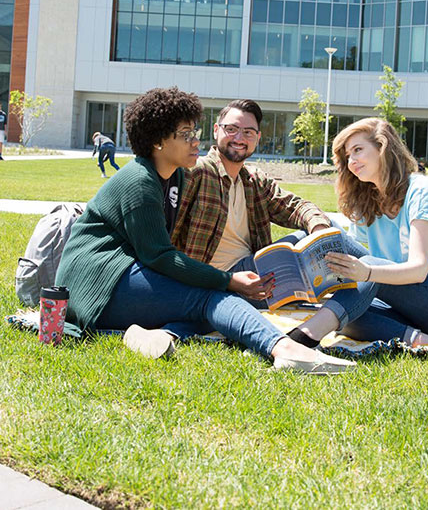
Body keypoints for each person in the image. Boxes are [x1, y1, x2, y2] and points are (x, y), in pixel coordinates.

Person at [56, 87, 354, 374]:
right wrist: (227, 280)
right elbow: (159, 256)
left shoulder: (174, 178)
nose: (194, 142)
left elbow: (289, 204)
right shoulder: (140, 182)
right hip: (98, 282)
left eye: (194, 133)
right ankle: (286, 350)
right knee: (211, 299)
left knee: (208, 308)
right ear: (158, 141)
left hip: (127, 273)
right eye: (185, 135)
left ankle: (152, 334)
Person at [286, 117, 428, 351]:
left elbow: (418, 269)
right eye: (347, 157)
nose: (352, 161)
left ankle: (304, 337)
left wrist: (368, 271)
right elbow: (358, 275)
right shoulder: (366, 202)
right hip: (416, 308)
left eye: (357, 150)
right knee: (349, 314)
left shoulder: (423, 191)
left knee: (369, 273)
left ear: (382, 148)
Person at [172, 99, 332, 276]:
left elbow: (295, 207)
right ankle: (367, 274)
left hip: (254, 278)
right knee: (332, 239)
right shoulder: (196, 172)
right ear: (216, 130)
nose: (239, 138)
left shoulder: (254, 181)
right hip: (214, 279)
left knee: (327, 230)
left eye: (248, 132)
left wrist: (319, 229)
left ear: (257, 137)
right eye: (231, 129)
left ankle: (362, 280)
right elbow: (167, 238)